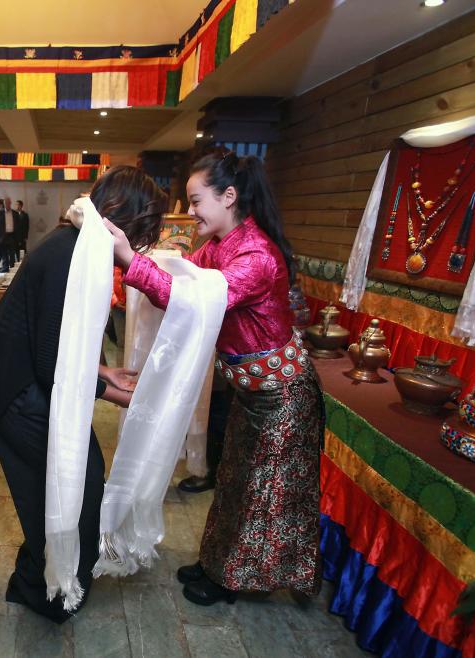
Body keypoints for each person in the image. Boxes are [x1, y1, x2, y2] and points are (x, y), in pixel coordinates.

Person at [109, 151, 324, 606]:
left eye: (195, 201)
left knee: (260, 492)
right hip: (252, 391)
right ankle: (218, 562)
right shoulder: (219, 247)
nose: (190, 212)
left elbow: (189, 297)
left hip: (282, 394)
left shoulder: (256, 256)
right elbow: (179, 276)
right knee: (234, 482)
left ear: (229, 197)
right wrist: (138, 253)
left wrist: (129, 258)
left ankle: (235, 579)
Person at [0, 165, 166, 623]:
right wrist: (114, 395)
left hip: (21, 376)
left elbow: (59, 342)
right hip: (12, 388)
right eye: (145, 231)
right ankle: (45, 591)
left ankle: (39, 581)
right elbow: (52, 362)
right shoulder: (72, 253)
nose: (142, 245)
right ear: (124, 217)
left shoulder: (79, 242)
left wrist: (104, 373)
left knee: (74, 485)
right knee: (65, 489)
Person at [0, 197, 18, 272]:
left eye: (8, 203)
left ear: (10, 203)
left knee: (12, 254)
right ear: (4, 204)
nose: (7, 205)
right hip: (2, 237)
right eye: (5, 203)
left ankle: (12, 270)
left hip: (12, 236)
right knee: (1, 254)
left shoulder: (15, 213)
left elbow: (18, 226)